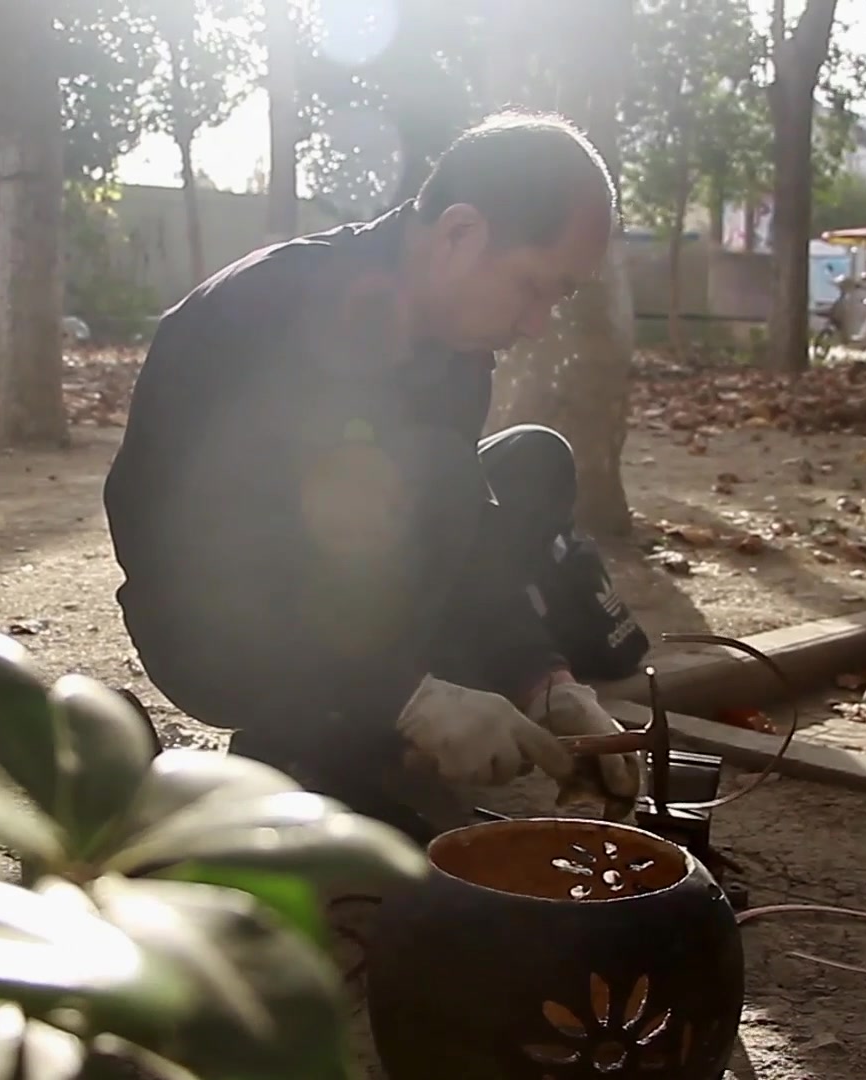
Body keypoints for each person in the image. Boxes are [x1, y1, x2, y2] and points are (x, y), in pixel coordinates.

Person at [103, 111, 645, 842]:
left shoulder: (457, 348)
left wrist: (544, 680)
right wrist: (400, 695)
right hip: (209, 622)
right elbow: (191, 558)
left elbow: (470, 539)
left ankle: (383, 721)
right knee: (439, 476)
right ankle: (308, 750)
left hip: (340, 587)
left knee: (526, 466)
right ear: (459, 234)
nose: (537, 324)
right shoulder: (257, 316)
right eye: (532, 288)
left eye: (558, 298)